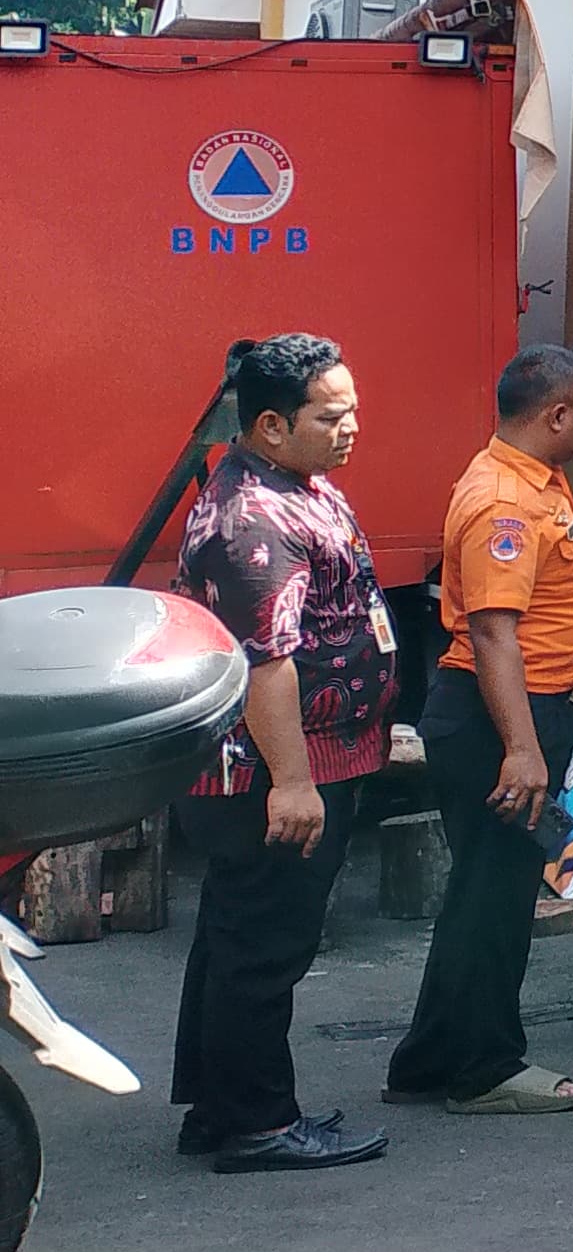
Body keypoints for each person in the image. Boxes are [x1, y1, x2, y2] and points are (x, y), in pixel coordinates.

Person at [169, 333, 399, 1172]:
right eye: (331, 416)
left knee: (237, 937)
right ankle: (259, 1123)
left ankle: (220, 1108)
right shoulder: (252, 520)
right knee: (267, 945)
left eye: (354, 410)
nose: (351, 428)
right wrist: (293, 784)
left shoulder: (292, 484)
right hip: (272, 769)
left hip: (297, 759)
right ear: (270, 425)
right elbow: (270, 663)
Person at [382, 346, 573, 1118]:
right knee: (499, 900)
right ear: (555, 414)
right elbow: (491, 635)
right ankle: (484, 1069)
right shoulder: (504, 501)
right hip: (499, 717)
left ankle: (429, 1060)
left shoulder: (533, 481)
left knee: (480, 896)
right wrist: (522, 747)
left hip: (511, 708)